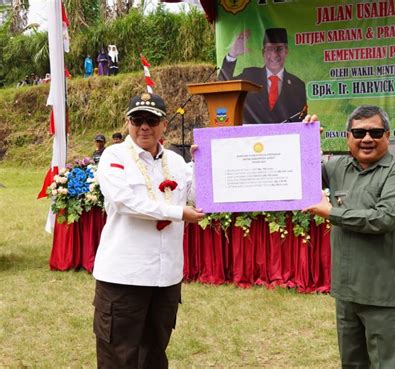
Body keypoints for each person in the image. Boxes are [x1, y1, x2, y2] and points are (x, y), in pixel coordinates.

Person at [92, 91, 205, 369]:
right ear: (127, 122)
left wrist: (206, 165)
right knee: (119, 357)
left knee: (154, 355)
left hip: (165, 277)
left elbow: (197, 199)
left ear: (164, 124)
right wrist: (178, 213)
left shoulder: (177, 162)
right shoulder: (114, 156)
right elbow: (125, 201)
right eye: (137, 119)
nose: (144, 126)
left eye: (152, 120)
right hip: (124, 278)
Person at [303, 105, 395, 369]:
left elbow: (384, 218)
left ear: (387, 136)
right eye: (359, 132)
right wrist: (306, 142)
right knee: (352, 364)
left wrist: (332, 213)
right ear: (348, 137)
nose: (367, 139)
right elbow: (297, 175)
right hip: (346, 292)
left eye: (375, 132)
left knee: (387, 365)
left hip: (382, 292)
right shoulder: (338, 167)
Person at [218, 28, 307, 124]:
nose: (274, 54)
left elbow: (301, 121)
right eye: (269, 49)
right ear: (263, 53)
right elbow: (222, 90)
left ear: (286, 51)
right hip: (252, 138)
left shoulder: (298, 85)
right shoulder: (249, 77)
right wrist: (232, 54)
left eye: (279, 49)